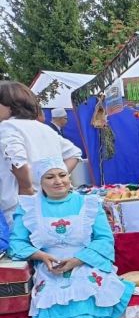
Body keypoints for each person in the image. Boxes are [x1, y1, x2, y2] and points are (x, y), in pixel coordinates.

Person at [9, 158, 134, 318]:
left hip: (86, 264)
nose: (58, 181)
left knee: (83, 297)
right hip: (50, 268)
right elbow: (17, 243)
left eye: (62, 175)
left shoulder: (89, 203)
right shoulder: (28, 208)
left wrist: (77, 260)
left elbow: (104, 240)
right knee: (52, 301)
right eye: (50, 177)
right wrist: (42, 256)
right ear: (40, 182)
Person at [0, 81, 82, 225]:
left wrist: (27, 188)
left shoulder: (7, 126)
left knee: (23, 245)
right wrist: (56, 178)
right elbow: (74, 154)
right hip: (50, 202)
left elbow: (17, 161)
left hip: (20, 206)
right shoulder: (44, 128)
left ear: (9, 106)